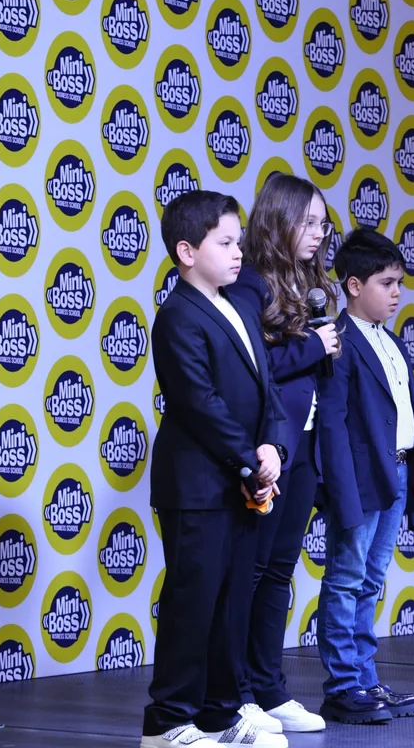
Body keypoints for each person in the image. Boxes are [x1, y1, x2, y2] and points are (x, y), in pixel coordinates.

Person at [142, 191, 288, 748]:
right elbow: (199, 404)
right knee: (193, 603)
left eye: (238, 242)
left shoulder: (241, 307)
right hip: (198, 487)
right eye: (224, 243)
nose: (237, 253)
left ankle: (221, 714)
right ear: (186, 252)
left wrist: (274, 447)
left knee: (231, 605)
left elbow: (269, 391)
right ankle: (167, 722)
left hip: (241, 484)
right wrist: (252, 460)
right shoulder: (178, 315)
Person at [225, 172, 336, 734]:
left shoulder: (308, 283)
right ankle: (236, 693)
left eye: (322, 224)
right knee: (250, 571)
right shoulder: (250, 282)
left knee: (279, 571)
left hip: (304, 445)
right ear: (278, 219)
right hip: (267, 447)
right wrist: (313, 347)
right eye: (307, 222)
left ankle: (269, 688)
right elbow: (252, 366)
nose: (317, 233)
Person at [315, 228, 414, 723]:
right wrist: (341, 493)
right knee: (345, 580)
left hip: (396, 474)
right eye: (387, 283)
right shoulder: (338, 342)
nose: (397, 293)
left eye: (399, 283)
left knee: (369, 581)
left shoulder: (392, 342)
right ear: (354, 285)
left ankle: (365, 679)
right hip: (358, 482)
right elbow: (332, 424)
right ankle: (343, 686)